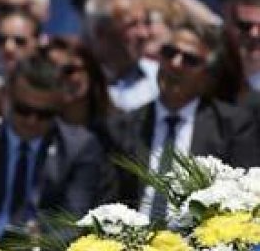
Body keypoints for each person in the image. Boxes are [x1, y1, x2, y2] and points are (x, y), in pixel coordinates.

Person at [105, 23, 260, 223]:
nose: (175, 64)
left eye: (190, 60)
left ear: (208, 76)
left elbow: (245, 199)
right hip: (133, 237)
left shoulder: (233, 126)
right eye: (169, 53)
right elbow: (107, 201)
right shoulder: (122, 127)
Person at [0, 57, 105, 243]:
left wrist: (41, 243)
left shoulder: (79, 148)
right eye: (23, 110)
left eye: (44, 114)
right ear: (7, 97)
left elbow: (73, 219)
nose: (32, 121)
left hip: (46, 250)